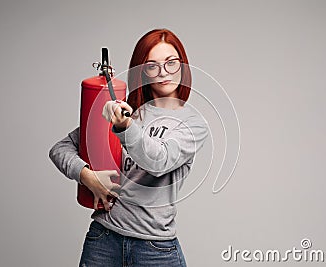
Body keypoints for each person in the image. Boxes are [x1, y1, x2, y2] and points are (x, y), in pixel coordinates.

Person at [49, 28, 208, 267]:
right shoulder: (123, 109)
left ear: (182, 66)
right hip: (103, 238)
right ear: (142, 72)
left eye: (171, 63)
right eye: (152, 65)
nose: (163, 72)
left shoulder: (193, 124)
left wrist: (125, 127)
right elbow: (60, 149)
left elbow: (158, 162)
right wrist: (87, 177)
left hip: (155, 248)